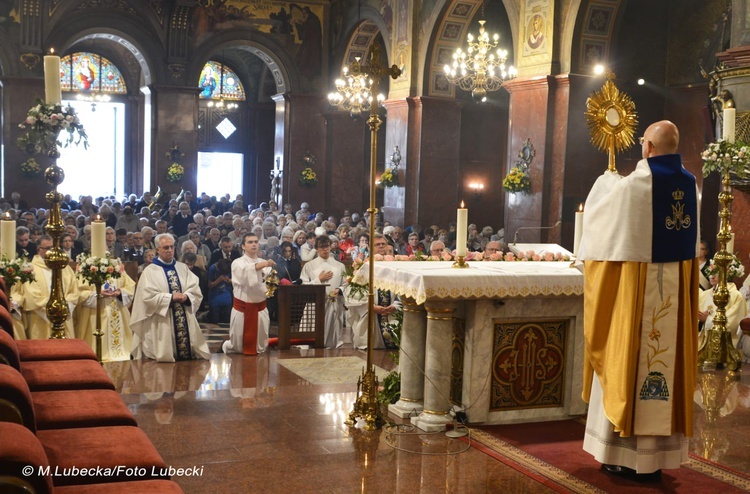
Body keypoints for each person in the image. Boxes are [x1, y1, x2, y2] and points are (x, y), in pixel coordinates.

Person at [578, 120, 699, 482]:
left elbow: (600, 218)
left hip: (638, 291)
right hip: (673, 289)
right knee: (665, 357)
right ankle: (657, 457)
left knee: (627, 353)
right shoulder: (690, 185)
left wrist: (606, 179)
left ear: (647, 147)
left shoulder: (636, 185)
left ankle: (621, 454)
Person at [130, 233, 210, 362]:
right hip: (161, 320)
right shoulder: (149, 271)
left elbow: (195, 289)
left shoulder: (182, 268)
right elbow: (147, 297)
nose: (169, 251)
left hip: (183, 315)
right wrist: (170, 298)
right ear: (158, 250)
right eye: (166, 248)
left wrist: (186, 296)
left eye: (171, 247)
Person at [12, 235, 79, 339]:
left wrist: (64, 307)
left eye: (54, 248)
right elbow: (31, 295)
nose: (52, 251)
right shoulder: (30, 269)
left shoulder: (64, 268)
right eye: (48, 248)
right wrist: (52, 310)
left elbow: (73, 291)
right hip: (40, 318)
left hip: (64, 316)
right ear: (39, 250)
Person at [222, 233, 275, 355]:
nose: (254, 244)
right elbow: (245, 275)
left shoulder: (264, 262)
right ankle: (226, 346)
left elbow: (267, 280)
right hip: (243, 309)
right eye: (250, 242)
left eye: (256, 242)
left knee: (260, 346)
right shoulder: (237, 263)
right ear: (243, 246)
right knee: (238, 346)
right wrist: (262, 265)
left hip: (260, 308)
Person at [75, 270, 136, 361]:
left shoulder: (117, 268)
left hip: (117, 310)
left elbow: (130, 287)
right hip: (94, 313)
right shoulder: (85, 269)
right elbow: (77, 292)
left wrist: (120, 293)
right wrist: (97, 294)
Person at [301, 235, 346, 348]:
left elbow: (345, 283)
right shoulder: (309, 265)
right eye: (321, 247)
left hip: (333, 302)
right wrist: (318, 280)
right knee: (313, 333)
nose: (325, 250)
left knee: (332, 337)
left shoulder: (339, 266)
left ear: (330, 247)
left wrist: (339, 290)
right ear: (316, 248)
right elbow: (303, 285)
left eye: (327, 247)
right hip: (315, 303)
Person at [207, 258, 233, 324]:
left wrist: (229, 280)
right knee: (214, 320)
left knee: (227, 320)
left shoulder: (228, 267)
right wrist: (219, 279)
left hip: (226, 295)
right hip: (214, 295)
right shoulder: (212, 268)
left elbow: (232, 281)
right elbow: (210, 285)